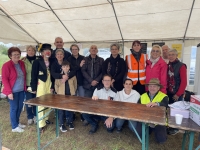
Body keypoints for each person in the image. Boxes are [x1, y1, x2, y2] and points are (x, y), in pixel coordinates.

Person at [2, 47, 26, 132]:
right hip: (13, 91)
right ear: (10, 56)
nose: (16, 56)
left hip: (21, 90)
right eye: (14, 54)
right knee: (14, 108)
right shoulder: (6, 65)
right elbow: (4, 79)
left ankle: (17, 122)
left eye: (18, 54)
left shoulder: (21, 63)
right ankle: (14, 127)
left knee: (19, 108)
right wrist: (9, 92)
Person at [31, 43, 54, 133]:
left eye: (49, 51)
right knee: (41, 104)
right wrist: (34, 87)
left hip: (49, 83)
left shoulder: (52, 61)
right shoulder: (37, 62)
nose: (47, 52)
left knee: (48, 102)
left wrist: (52, 86)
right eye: (45, 51)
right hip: (40, 84)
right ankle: (40, 125)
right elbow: (33, 74)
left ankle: (45, 119)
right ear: (42, 53)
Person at [137, 78, 168, 144]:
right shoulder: (142, 96)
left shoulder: (164, 96)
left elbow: (165, 104)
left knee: (162, 139)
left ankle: (160, 132)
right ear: (148, 87)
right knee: (139, 133)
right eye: (150, 86)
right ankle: (148, 130)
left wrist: (157, 104)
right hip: (145, 120)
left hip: (158, 121)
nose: (152, 88)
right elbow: (138, 107)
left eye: (154, 86)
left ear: (158, 88)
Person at [167, 49, 187, 135]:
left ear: (176, 55)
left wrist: (178, 94)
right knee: (170, 110)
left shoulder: (181, 66)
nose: (170, 56)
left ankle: (175, 128)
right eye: (169, 55)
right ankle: (170, 126)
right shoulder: (168, 65)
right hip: (169, 91)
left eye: (172, 54)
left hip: (177, 93)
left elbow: (184, 82)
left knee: (177, 111)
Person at [54, 60, 77, 132]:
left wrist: (73, 92)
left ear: (69, 67)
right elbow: (56, 86)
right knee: (61, 111)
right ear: (62, 68)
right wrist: (59, 93)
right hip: (61, 96)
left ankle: (70, 122)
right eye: (64, 67)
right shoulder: (59, 76)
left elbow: (75, 85)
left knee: (70, 109)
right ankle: (61, 124)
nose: (66, 68)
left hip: (70, 95)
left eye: (67, 66)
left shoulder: (72, 76)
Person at [22, 45, 38, 125]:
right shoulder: (23, 61)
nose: (31, 52)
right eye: (29, 50)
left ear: (35, 52)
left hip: (36, 84)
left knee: (36, 101)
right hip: (28, 84)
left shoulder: (38, 60)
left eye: (32, 50)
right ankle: (29, 117)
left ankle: (35, 116)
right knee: (29, 102)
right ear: (27, 51)